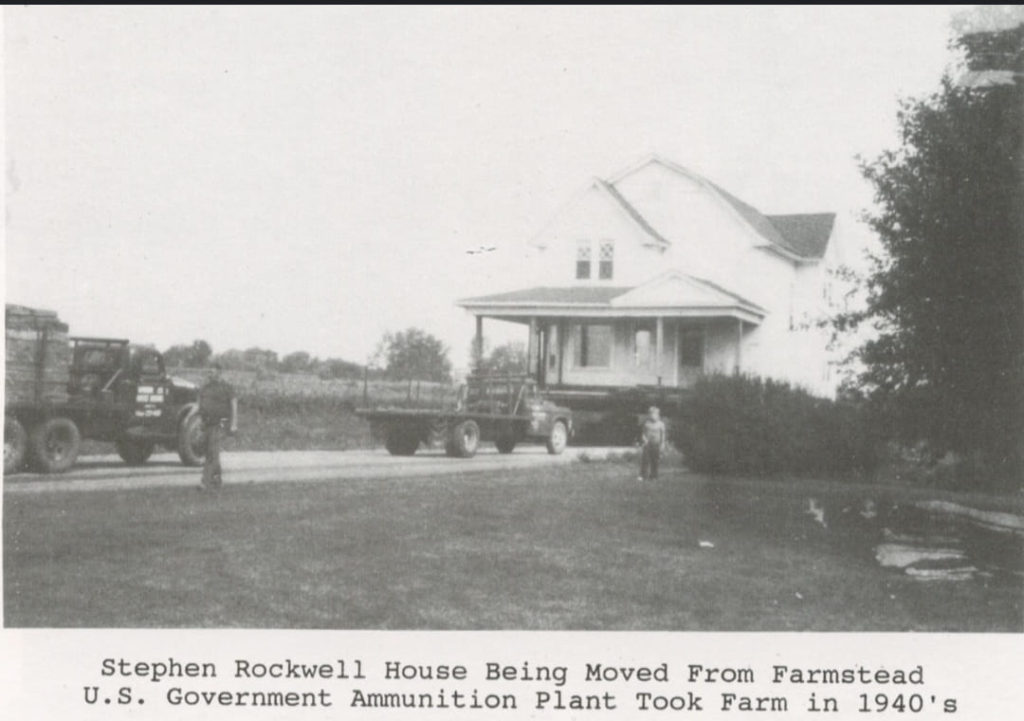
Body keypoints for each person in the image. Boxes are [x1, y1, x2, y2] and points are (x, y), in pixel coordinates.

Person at [197, 363, 237, 489]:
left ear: (219, 373)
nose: (210, 374)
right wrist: (200, 421)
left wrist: (234, 424)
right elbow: (200, 405)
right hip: (207, 423)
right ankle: (217, 479)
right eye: (209, 372)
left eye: (213, 372)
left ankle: (205, 482)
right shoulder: (205, 388)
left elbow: (234, 406)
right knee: (210, 451)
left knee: (212, 451)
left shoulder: (227, 388)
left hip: (221, 422)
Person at [638, 406, 666, 482]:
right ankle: (643, 475)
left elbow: (663, 435)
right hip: (647, 444)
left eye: (655, 414)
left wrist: (662, 444)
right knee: (645, 459)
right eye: (651, 414)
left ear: (658, 415)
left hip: (656, 444)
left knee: (655, 460)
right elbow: (643, 433)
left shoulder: (661, 424)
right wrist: (644, 439)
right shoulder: (646, 423)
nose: (653, 416)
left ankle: (654, 476)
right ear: (649, 415)